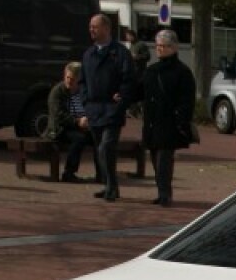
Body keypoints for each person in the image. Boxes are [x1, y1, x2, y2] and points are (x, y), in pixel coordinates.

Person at [80, 12, 137, 202]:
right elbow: (82, 82)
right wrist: (85, 101)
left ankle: (112, 187)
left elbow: (129, 79)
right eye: (90, 27)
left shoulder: (120, 53)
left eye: (95, 27)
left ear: (106, 28)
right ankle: (107, 185)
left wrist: (121, 98)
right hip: (94, 109)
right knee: (99, 150)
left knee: (107, 146)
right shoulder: (88, 54)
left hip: (112, 109)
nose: (91, 30)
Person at [141, 28, 196, 207]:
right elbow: (140, 90)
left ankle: (165, 193)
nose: (160, 49)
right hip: (152, 121)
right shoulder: (152, 71)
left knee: (164, 158)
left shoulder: (182, 72)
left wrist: (181, 118)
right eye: (158, 46)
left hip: (169, 122)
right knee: (155, 157)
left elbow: (187, 99)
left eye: (164, 46)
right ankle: (161, 191)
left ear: (174, 48)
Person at [46, 61, 95, 182]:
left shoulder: (83, 92)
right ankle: (69, 173)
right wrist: (78, 121)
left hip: (80, 127)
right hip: (60, 129)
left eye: (73, 78)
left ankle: (102, 173)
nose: (69, 81)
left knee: (99, 138)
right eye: (67, 77)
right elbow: (58, 116)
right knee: (79, 139)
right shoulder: (57, 92)